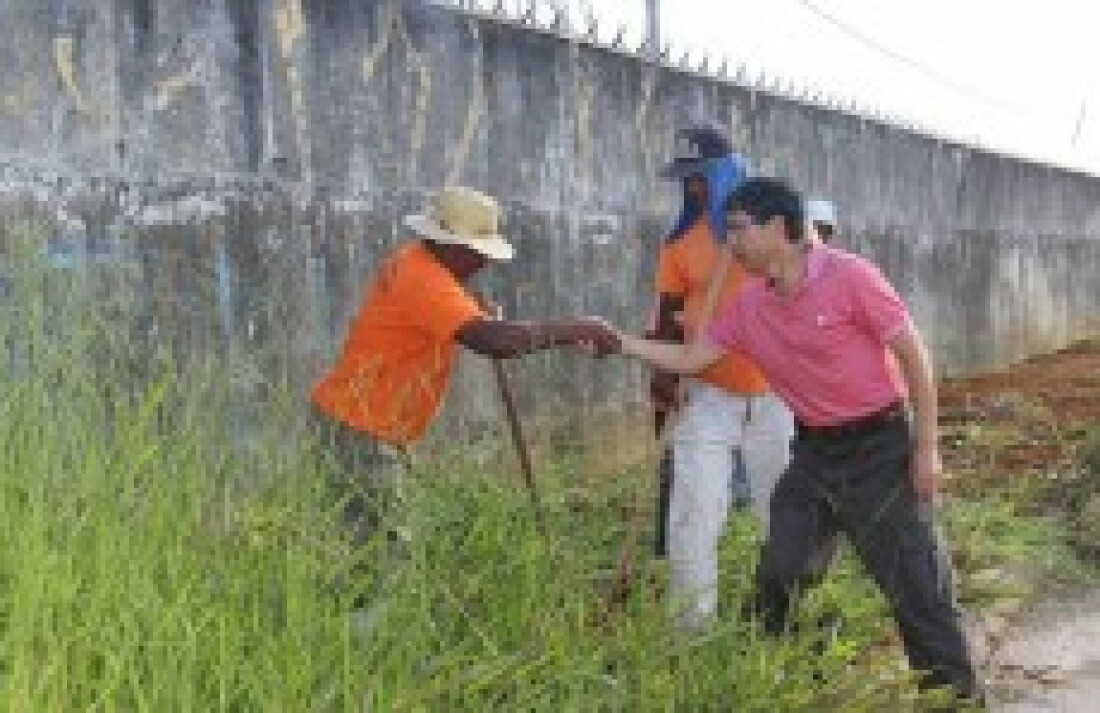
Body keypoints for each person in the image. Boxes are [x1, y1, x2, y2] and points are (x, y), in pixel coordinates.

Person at [599, 177, 981, 701]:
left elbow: (915, 359)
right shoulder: (750, 303)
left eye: (737, 230)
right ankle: (793, 677)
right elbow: (690, 359)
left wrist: (927, 449)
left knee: (916, 586)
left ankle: (954, 699)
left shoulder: (850, 277)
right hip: (815, 454)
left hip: (880, 449)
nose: (730, 243)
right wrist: (617, 342)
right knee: (780, 573)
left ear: (779, 227)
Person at [311, 186, 616, 546]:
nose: (484, 263)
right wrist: (577, 328)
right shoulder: (423, 279)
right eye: (478, 254)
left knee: (369, 551)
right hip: (360, 430)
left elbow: (445, 313)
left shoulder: (416, 261)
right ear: (452, 246)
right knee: (382, 559)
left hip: (361, 423)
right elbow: (494, 342)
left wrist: (472, 310)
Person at [648, 124, 794, 627]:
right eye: (685, 182)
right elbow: (666, 312)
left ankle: (782, 616)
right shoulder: (680, 243)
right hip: (705, 392)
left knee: (781, 514)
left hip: (774, 396)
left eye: (701, 179)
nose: (692, 189)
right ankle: (690, 633)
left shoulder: (771, 236)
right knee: (693, 515)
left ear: (727, 175)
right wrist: (661, 379)